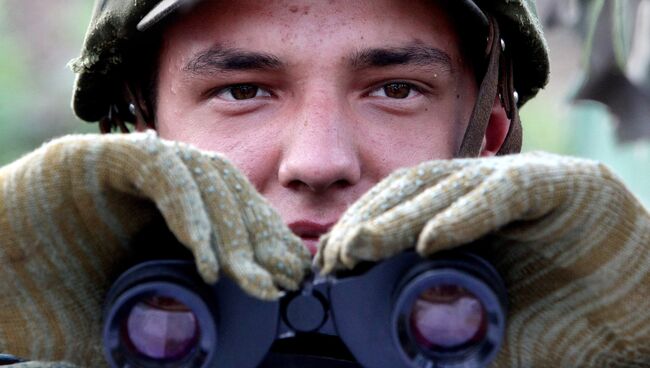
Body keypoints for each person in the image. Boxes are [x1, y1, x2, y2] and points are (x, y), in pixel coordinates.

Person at [0, 0, 648, 367]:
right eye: (242, 90)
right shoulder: (43, 335)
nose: (317, 162)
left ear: (487, 140)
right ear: (141, 139)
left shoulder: (595, 340)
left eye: (396, 90)